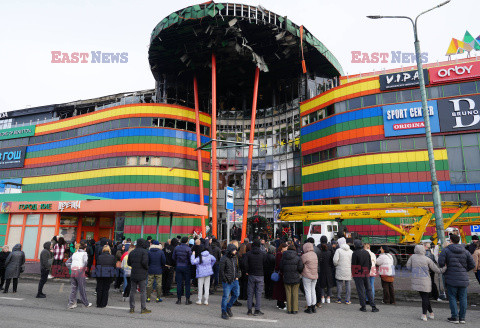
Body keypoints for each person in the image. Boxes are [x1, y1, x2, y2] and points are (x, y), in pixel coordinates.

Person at [438, 234, 475, 324]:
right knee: (463, 298)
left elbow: (441, 263)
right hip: (463, 278)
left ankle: (454, 317)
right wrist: (464, 270)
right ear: (459, 241)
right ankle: (462, 318)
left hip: (451, 277)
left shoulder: (446, 250)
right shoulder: (465, 251)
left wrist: (447, 267)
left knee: (452, 297)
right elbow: (472, 264)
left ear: (450, 240)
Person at [406, 244, 446, 321]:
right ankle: (425, 315)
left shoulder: (412, 257)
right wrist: (445, 268)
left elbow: (408, 267)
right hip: (425, 281)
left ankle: (430, 313)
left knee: (424, 298)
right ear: (423, 250)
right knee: (425, 298)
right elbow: (437, 270)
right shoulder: (427, 259)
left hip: (416, 280)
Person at [351, 239, 379, 313]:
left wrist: (354, 275)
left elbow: (354, 265)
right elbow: (369, 264)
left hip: (358, 274)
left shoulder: (355, 253)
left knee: (361, 290)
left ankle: (363, 307)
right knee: (368, 289)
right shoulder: (366, 253)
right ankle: (373, 306)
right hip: (366, 273)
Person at [243, 239, 267, 316]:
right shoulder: (263, 254)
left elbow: (245, 264)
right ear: (260, 246)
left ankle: (249, 310)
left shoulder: (248, 254)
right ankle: (257, 310)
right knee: (258, 294)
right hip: (260, 275)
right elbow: (265, 264)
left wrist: (247, 271)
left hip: (251, 275)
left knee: (250, 293)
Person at [128, 238, 151, 314]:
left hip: (134, 273)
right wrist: (147, 268)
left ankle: (132, 308)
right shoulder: (145, 252)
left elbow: (129, 263)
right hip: (142, 274)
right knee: (143, 291)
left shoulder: (132, 252)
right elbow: (145, 262)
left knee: (132, 291)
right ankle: (143, 308)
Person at [280, 244, 303, 314]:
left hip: (286, 277)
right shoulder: (297, 257)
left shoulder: (284, 256)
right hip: (295, 277)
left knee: (288, 293)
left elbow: (281, 267)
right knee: (295, 293)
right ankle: (295, 309)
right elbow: (300, 268)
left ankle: (289, 309)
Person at [67, 243, 91, 309]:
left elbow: (67, 262)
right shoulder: (84, 254)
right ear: (85, 248)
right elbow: (85, 263)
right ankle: (85, 303)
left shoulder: (74, 253)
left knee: (73, 288)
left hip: (73, 271)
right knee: (82, 288)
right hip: (80, 271)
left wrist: (71, 267)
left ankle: (71, 303)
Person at [219, 244, 240, 320]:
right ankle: (223, 312)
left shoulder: (235, 258)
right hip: (227, 281)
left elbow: (237, 268)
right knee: (225, 297)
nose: (235, 251)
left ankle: (228, 307)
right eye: (234, 250)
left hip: (235, 280)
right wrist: (225, 279)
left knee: (237, 294)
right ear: (231, 250)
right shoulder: (224, 258)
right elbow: (221, 270)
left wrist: (237, 276)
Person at [172, 236, 193, 305]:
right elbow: (191, 259)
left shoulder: (177, 248)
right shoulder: (188, 248)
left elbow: (173, 257)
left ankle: (179, 299)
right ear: (187, 241)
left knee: (179, 283)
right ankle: (187, 299)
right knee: (187, 284)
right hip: (186, 266)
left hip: (178, 266)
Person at [333, 239, 353, 304]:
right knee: (348, 285)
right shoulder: (351, 251)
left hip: (340, 269)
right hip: (348, 270)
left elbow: (335, 260)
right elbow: (352, 261)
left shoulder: (338, 250)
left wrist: (337, 265)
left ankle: (339, 299)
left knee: (339, 284)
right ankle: (347, 300)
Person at [301, 242, 318, 314]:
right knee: (313, 290)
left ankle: (309, 307)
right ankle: (314, 306)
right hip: (315, 275)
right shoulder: (315, 254)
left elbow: (301, 263)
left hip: (307, 275)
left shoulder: (305, 255)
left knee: (308, 291)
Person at [318, 236, 333, 304]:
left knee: (321, 284)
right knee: (329, 284)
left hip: (321, 269)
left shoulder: (319, 248)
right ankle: (328, 298)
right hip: (329, 269)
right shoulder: (330, 249)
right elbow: (332, 260)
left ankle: (322, 297)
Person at [273, 243, 288, 310]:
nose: (286, 249)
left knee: (279, 289)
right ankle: (281, 304)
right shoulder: (280, 254)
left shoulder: (278, 254)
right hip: (280, 274)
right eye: (286, 247)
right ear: (282, 248)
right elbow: (280, 265)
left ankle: (279, 303)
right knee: (281, 290)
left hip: (279, 273)